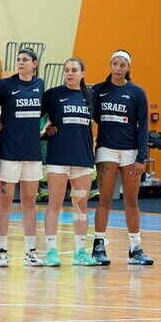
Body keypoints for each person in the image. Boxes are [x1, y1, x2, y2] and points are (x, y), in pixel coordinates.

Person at [91, 50, 152, 266]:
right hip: (107, 149)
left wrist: (141, 157)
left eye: (122, 65)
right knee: (105, 199)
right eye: (115, 64)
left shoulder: (136, 93)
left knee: (131, 201)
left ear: (128, 68)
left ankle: (135, 248)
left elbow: (143, 126)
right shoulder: (99, 91)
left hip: (130, 152)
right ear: (110, 65)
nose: (118, 68)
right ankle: (98, 246)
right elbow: (94, 116)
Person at [42, 58, 99, 267]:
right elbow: (36, 119)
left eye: (74, 70)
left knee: (80, 205)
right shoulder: (53, 95)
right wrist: (45, 130)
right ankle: (50, 251)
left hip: (82, 160)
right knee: (54, 204)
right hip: (58, 158)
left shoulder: (90, 96)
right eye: (67, 70)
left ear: (83, 73)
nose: (70, 74)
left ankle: (80, 251)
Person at [0, 47, 45, 266]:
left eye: (25, 60)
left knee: (30, 202)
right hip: (9, 153)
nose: (21, 62)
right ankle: (1, 251)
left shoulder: (40, 85)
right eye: (19, 60)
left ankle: (30, 251)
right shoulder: (5, 85)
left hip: (32, 154)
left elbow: (45, 111)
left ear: (34, 63)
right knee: (4, 201)